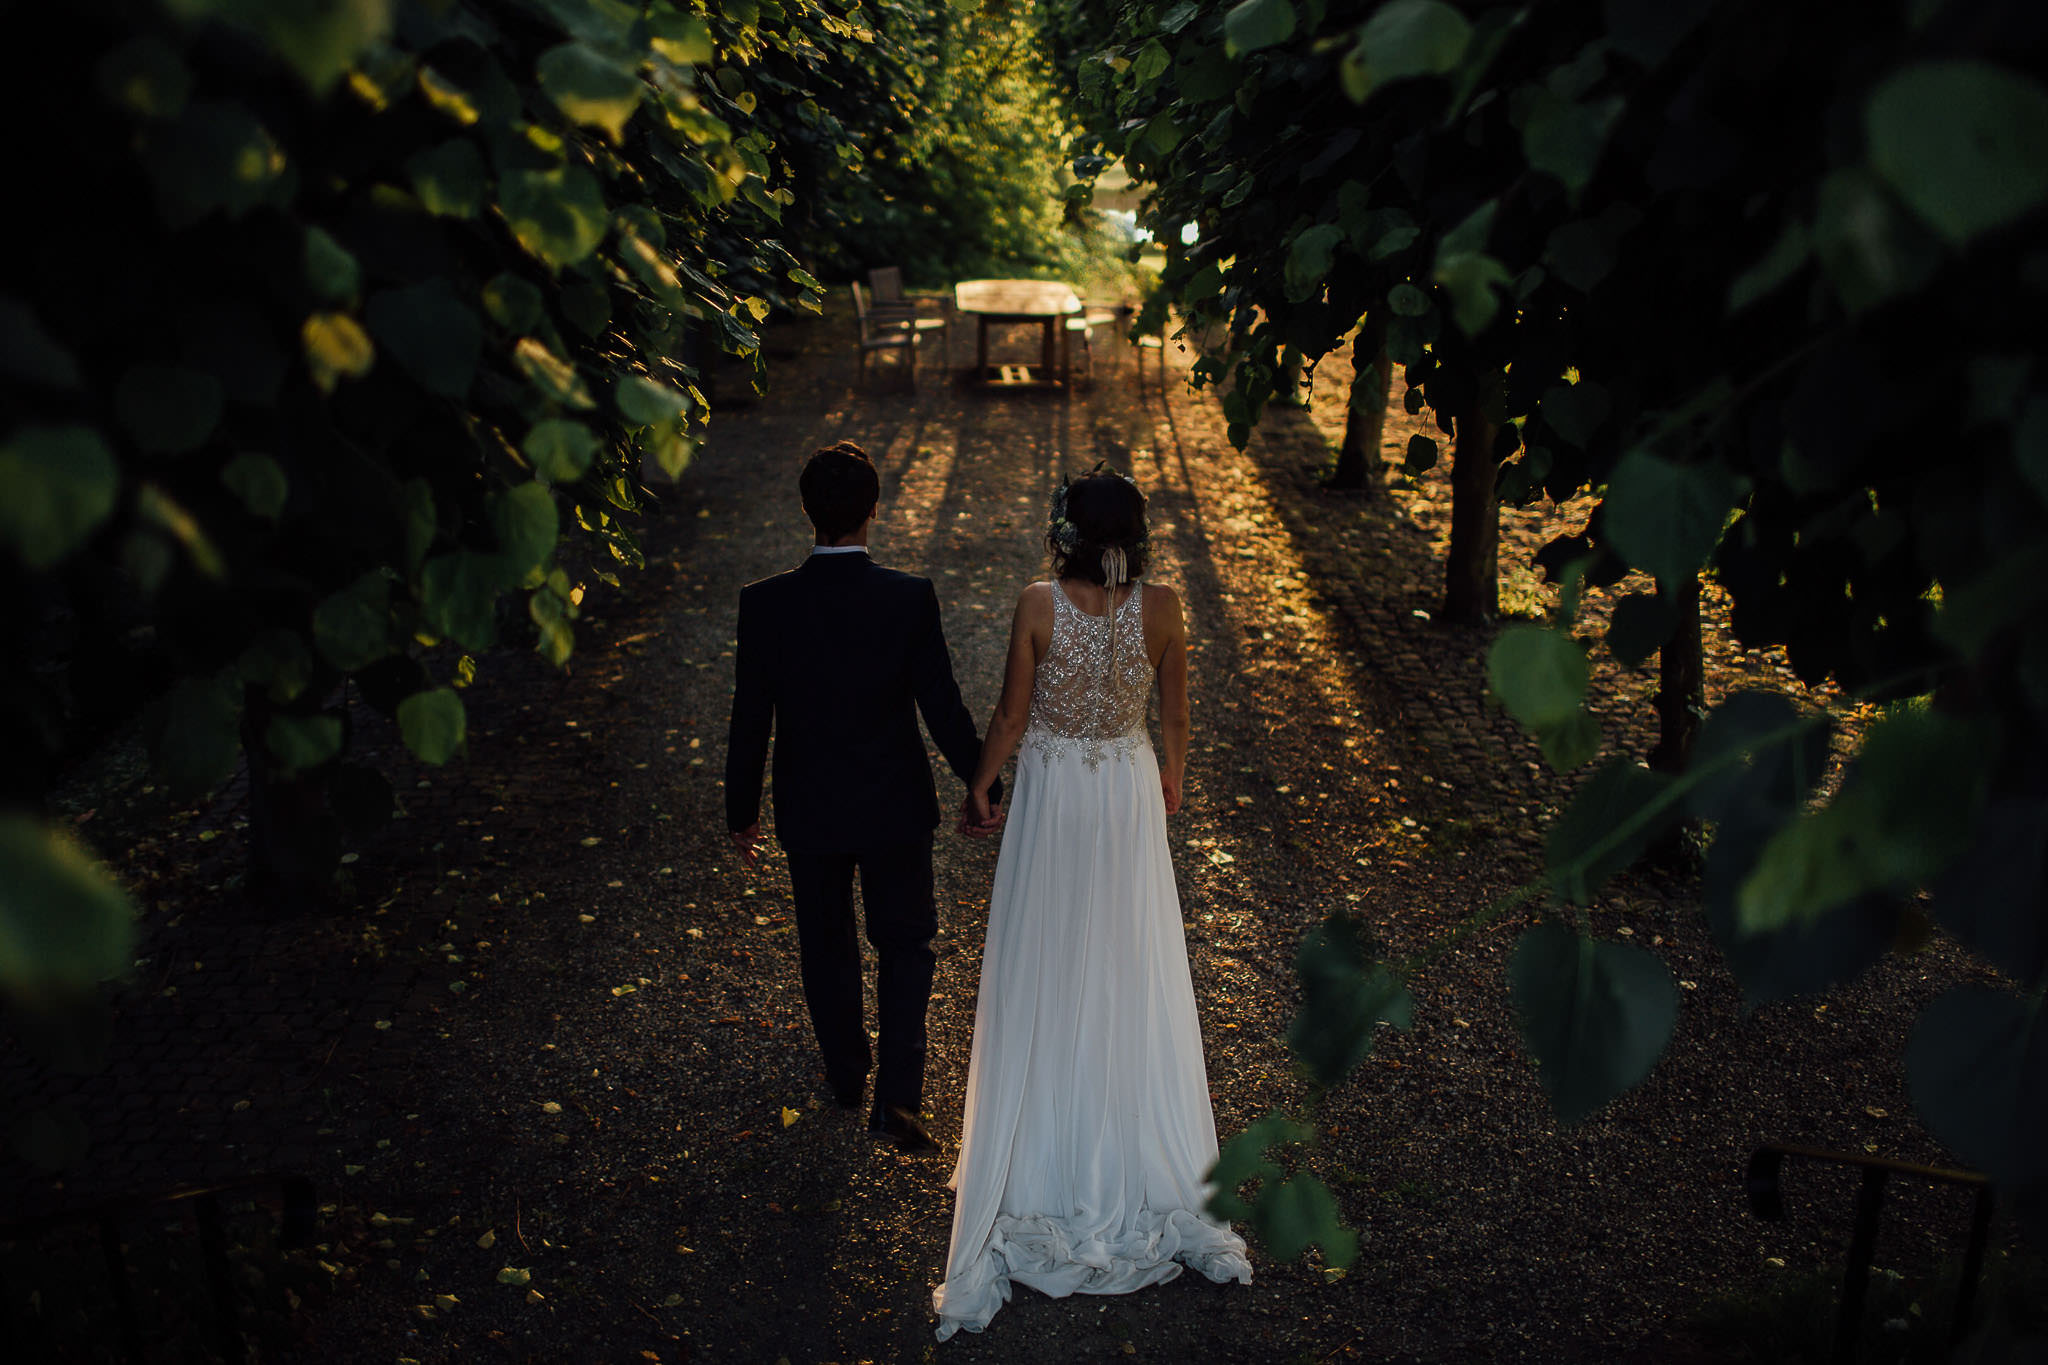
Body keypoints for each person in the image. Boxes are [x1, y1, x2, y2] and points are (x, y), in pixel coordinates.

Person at [932, 468, 1250, 1340]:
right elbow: (1176, 717)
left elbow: (1007, 714)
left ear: (1066, 530)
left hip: (1057, 794)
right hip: (1125, 792)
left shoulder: (1039, 601)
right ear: (1135, 533)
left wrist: (979, 788)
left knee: (1046, 958)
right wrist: (1172, 778)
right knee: (1126, 959)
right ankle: (1129, 1146)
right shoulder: (1168, 605)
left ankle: (1037, 1148)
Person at [725, 441, 1000, 1155]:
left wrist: (741, 808)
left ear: (807, 511)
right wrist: (982, 782)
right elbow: (942, 705)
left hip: (810, 805)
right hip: (894, 804)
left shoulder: (766, 604)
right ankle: (899, 1097)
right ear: (875, 509)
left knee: (826, 941)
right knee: (906, 942)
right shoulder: (907, 598)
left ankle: (847, 1074)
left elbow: (750, 714)